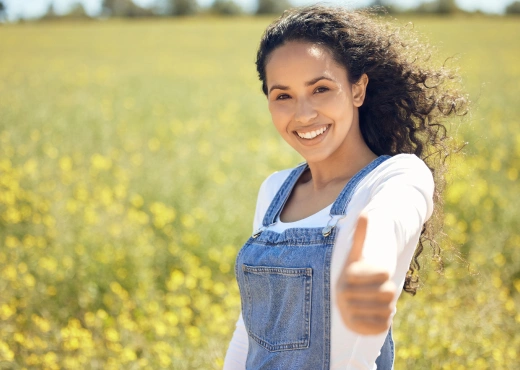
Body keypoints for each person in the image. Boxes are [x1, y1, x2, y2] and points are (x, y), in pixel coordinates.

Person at [223, 5, 467, 370]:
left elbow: (389, 217)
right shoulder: (273, 191)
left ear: (357, 89)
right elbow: (250, 329)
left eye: (320, 89)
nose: (303, 115)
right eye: (283, 95)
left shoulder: (396, 177)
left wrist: (369, 258)